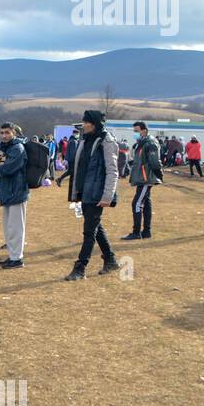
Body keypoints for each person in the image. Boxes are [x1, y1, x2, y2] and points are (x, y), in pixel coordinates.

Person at [64, 110, 120, 281]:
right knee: (95, 227)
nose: (84, 124)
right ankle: (110, 260)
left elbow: (112, 171)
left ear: (94, 123)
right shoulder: (86, 140)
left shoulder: (106, 141)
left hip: (97, 193)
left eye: (86, 122)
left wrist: (107, 196)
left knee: (89, 231)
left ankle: (80, 268)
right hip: (85, 191)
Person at [0, 122, 29, 268]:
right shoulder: (5, 148)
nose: (4, 135)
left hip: (17, 191)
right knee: (8, 227)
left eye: (7, 132)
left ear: (14, 133)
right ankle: (12, 255)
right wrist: (0, 163)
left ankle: (17, 258)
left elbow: (8, 169)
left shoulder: (17, 148)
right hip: (7, 191)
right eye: (2, 132)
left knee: (16, 227)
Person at [123, 121, 163, 241]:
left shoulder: (150, 143)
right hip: (142, 177)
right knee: (146, 203)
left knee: (136, 203)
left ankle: (136, 232)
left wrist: (158, 174)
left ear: (144, 130)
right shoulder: (142, 143)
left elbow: (154, 161)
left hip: (146, 178)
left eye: (137, 131)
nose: (135, 134)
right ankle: (146, 232)